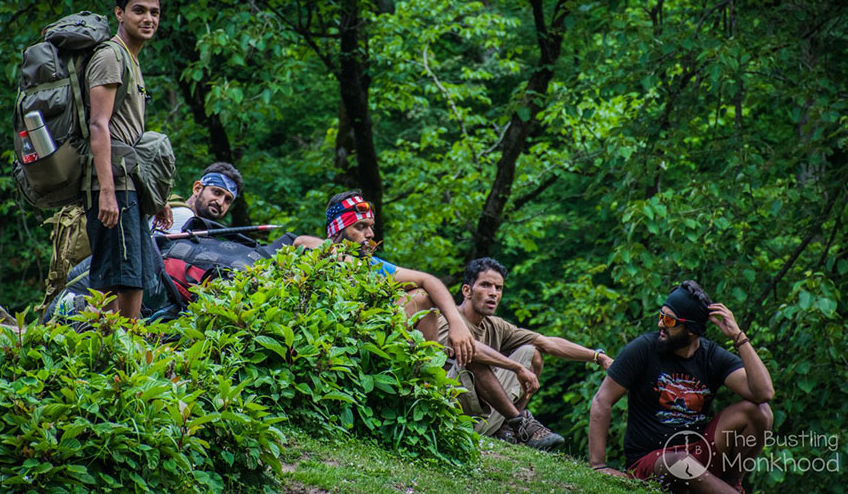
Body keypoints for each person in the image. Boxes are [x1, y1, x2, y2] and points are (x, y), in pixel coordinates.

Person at [588, 280, 774, 493]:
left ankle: (731, 484)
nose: (660, 324)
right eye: (661, 315)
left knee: (760, 412)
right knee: (679, 461)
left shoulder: (711, 356)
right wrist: (598, 465)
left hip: (696, 452)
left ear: (692, 331)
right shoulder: (643, 349)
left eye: (669, 320)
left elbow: (764, 392)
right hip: (652, 462)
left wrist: (738, 336)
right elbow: (603, 399)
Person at [439, 257, 612, 451]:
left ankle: (506, 427)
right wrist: (516, 367)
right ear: (467, 290)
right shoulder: (449, 319)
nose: (493, 293)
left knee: (532, 352)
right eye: (486, 285)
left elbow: (547, 343)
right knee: (472, 356)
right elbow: (474, 350)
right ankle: (519, 423)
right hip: (448, 416)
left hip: (481, 418)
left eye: (498, 288)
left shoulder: (496, 326)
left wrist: (598, 357)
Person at [293, 191, 476, 367]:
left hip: (370, 344)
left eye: (371, 227)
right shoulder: (317, 251)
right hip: (332, 348)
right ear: (335, 230)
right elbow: (301, 242)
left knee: (421, 296)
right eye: (360, 227)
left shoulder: (371, 264)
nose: (370, 234)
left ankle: (425, 375)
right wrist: (354, 265)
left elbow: (429, 280)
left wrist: (456, 322)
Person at [85, 0, 171, 321]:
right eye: (139, 10)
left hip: (129, 185)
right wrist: (107, 191)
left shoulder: (132, 60)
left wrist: (157, 197)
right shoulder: (110, 56)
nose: (148, 19)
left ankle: (123, 357)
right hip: (113, 185)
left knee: (130, 276)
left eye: (154, 12)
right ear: (120, 13)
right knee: (117, 279)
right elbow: (98, 124)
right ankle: (106, 357)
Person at [162, 162, 243, 233]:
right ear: (197, 189)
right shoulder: (184, 215)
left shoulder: (201, 228)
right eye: (217, 192)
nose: (220, 202)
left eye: (227, 200)